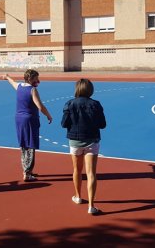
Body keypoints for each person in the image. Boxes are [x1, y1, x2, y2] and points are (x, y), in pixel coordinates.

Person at [61, 78, 106, 215]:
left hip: (75, 141)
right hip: (92, 140)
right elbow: (103, 124)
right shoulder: (96, 104)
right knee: (91, 173)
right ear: (90, 90)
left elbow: (63, 124)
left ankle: (78, 196)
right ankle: (91, 205)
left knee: (77, 170)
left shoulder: (69, 104)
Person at [3, 69, 53, 182]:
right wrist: (48, 115)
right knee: (31, 145)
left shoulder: (19, 86)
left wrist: (7, 77)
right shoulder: (32, 90)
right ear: (30, 79)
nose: (38, 80)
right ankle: (27, 173)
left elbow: (12, 82)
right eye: (36, 78)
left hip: (19, 119)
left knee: (24, 144)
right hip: (29, 120)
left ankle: (26, 169)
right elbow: (40, 106)